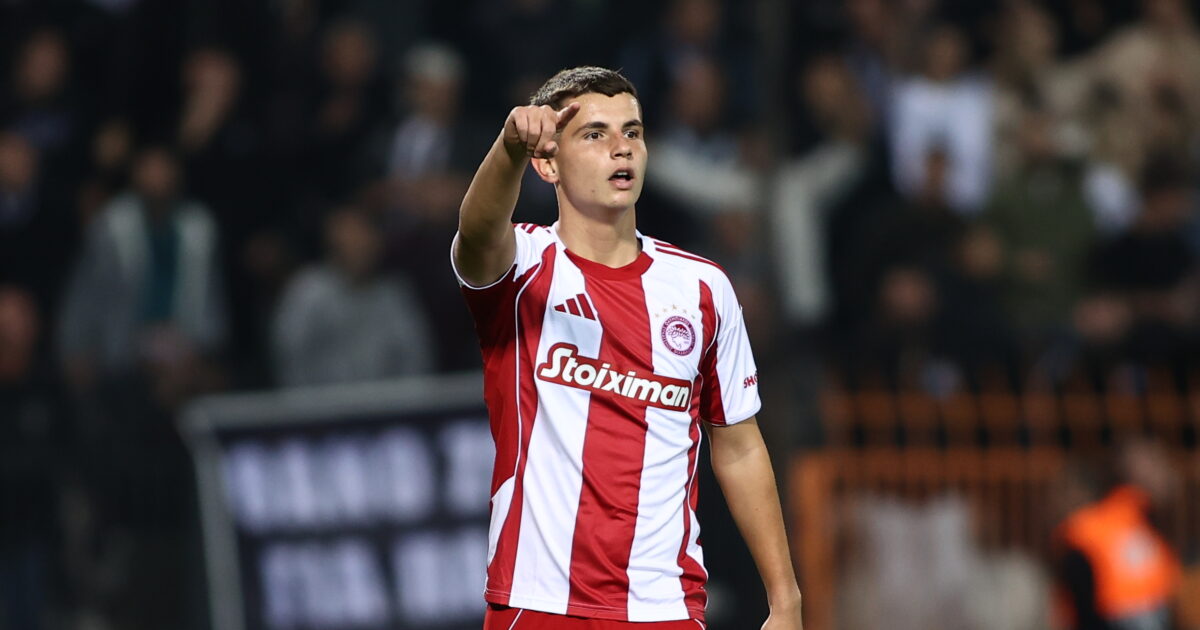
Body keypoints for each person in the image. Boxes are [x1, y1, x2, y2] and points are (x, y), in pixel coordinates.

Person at [450, 67, 802, 629]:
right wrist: (510, 148)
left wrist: (785, 599)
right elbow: (476, 231)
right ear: (548, 163)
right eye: (595, 134)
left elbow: (738, 446)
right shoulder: (521, 267)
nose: (622, 148)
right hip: (539, 603)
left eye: (632, 132)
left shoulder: (703, 289)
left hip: (665, 607)